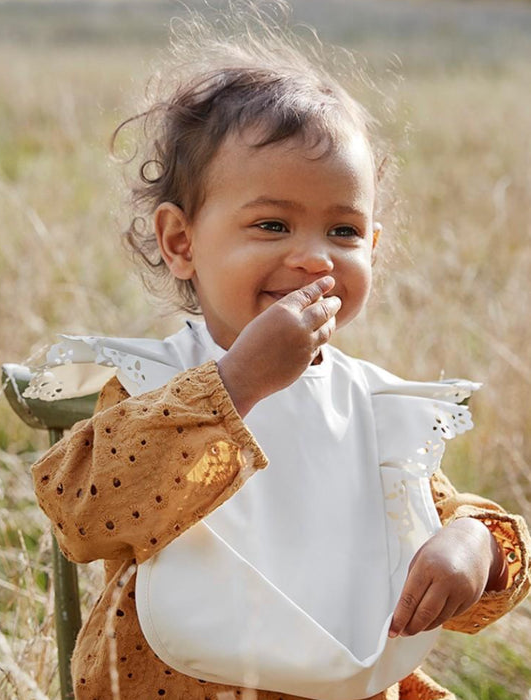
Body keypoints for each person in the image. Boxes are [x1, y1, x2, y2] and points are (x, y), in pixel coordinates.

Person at [29, 6, 530, 700]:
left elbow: (435, 514)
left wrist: (474, 548)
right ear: (181, 243)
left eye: (344, 230)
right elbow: (79, 508)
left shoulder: (374, 407)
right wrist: (235, 386)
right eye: (271, 223)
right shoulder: (156, 385)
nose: (313, 257)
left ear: (373, 248)